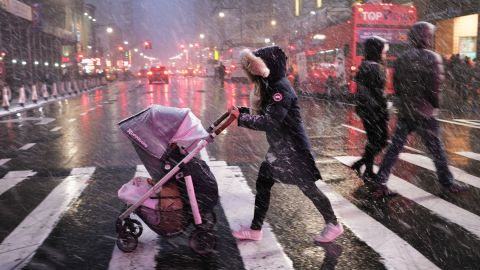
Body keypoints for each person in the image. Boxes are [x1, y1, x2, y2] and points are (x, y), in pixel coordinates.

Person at [229, 46, 343, 242]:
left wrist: (243, 118)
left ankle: (333, 223)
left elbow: (270, 121)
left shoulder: (280, 89)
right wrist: (243, 112)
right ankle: (255, 229)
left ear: (269, 66)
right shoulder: (274, 85)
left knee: (307, 187)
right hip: (283, 149)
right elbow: (267, 114)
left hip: (292, 150)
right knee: (266, 182)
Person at [373, 22, 468, 196]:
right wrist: (435, 104)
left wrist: (405, 102)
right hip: (425, 112)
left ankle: (380, 183)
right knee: (437, 151)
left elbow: (397, 86)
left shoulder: (402, 58)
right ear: (426, 37)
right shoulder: (432, 58)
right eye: (430, 35)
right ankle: (447, 183)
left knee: (394, 149)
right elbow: (434, 87)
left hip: (406, 111)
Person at [351, 36, 389, 182]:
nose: (384, 53)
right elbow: (376, 92)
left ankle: (365, 166)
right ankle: (365, 167)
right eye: (383, 50)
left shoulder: (365, 65)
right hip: (374, 109)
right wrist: (381, 106)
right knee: (380, 140)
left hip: (368, 109)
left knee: (375, 139)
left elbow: (365, 90)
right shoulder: (374, 67)